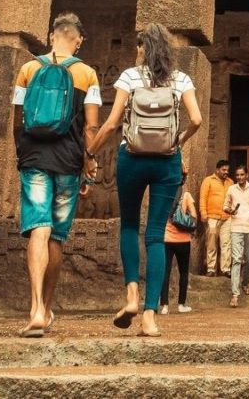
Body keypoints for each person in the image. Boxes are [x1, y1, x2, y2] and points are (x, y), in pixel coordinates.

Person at [86, 22, 202, 337]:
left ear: (142, 49)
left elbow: (111, 124)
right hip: (167, 162)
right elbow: (197, 119)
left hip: (132, 158)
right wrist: (178, 140)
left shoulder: (129, 76)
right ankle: (150, 316)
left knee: (128, 225)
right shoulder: (181, 79)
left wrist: (91, 154)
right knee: (155, 236)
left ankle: (132, 296)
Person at [12, 12, 102, 338]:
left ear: (52, 35)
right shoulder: (87, 74)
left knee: (38, 227)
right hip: (68, 162)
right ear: (77, 39)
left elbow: (17, 120)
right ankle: (47, 309)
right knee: (56, 237)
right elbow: (91, 125)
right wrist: (89, 162)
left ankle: (34, 307)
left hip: (34, 158)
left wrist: (21, 154)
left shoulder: (28, 69)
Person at [161, 164, 198, 315]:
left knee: (165, 272)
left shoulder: (164, 194)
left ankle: (164, 305)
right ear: (183, 180)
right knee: (183, 272)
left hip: (167, 239)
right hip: (183, 241)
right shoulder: (186, 196)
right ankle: (181, 304)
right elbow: (195, 218)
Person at [223, 164, 249, 306]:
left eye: (242, 175)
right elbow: (225, 206)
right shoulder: (231, 189)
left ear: (247, 175)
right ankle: (235, 294)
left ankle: (245, 283)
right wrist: (229, 211)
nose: (239, 177)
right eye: (237, 175)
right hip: (236, 227)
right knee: (236, 259)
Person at [199, 160, 232, 275]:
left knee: (226, 243)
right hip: (212, 217)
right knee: (211, 243)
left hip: (227, 217)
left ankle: (226, 269)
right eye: (223, 170)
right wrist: (203, 213)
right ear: (217, 170)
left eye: (227, 170)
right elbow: (203, 198)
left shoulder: (230, 182)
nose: (226, 172)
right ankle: (211, 269)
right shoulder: (208, 181)